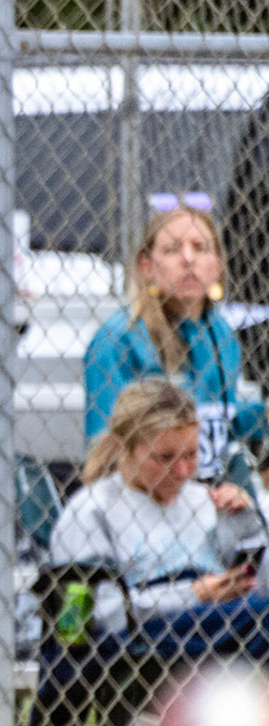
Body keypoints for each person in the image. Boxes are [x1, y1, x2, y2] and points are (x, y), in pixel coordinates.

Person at [50, 378, 269, 661]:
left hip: (225, 624)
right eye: (164, 458)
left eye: (191, 454)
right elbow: (96, 617)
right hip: (142, 638)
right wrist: (193, 594)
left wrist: (246, 522)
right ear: (123, 447)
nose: (182, 471)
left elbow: (258, 582)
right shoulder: (92, 510)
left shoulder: (204, 500)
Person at [84, 197, 265, 487]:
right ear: (146, 266)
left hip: (210, 491)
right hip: (148, 498)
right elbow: (105, 452)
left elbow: (218, 426)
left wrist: (262, 415)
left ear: (218, 264)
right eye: (172, 249)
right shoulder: (118, 340)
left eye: (200, 247)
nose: (188, 259)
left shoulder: (219, 332)